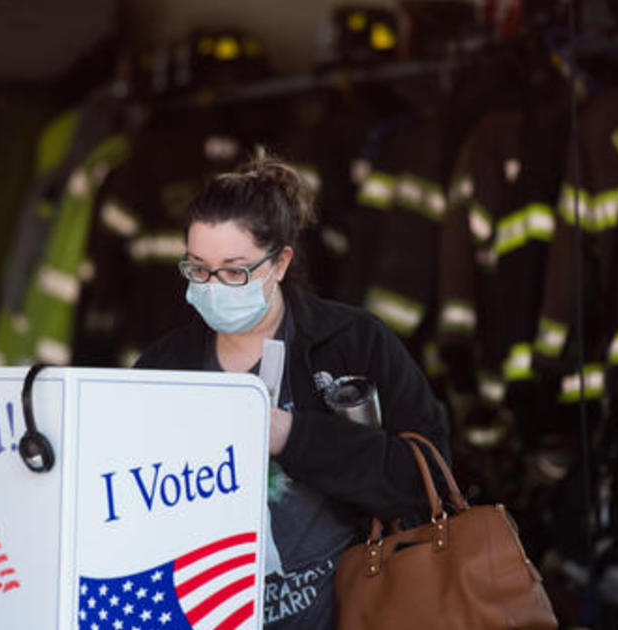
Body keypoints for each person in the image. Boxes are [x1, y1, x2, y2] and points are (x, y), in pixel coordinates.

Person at [135, 156, 450, 629]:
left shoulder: (353, 343)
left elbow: (426, 478)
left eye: (234, 271)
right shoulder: (165, 365)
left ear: (280, 262)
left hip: (349, 610)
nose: (213, 286)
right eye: (198, 269)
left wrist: (292, 435)